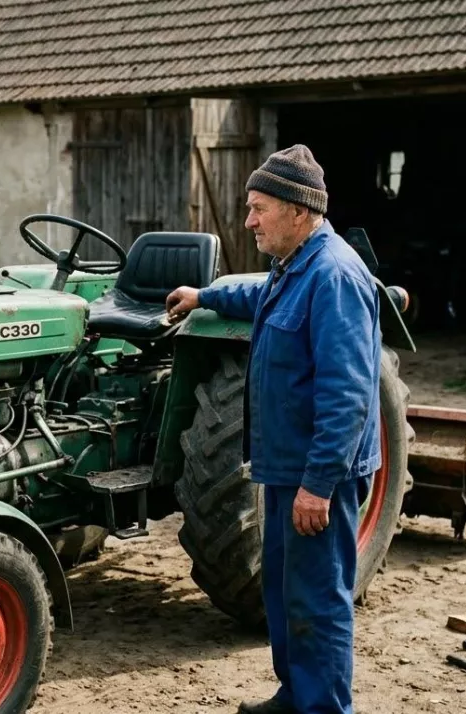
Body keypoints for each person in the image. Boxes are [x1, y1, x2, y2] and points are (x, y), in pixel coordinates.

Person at [165, 145, 381, 714]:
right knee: (285, 594)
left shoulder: (334, 275)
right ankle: (295, 696)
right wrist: (205, 295)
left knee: (318, 600)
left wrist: (319, 484)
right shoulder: (296, 267)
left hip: (316, 473)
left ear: (298, 210)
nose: (248, 221)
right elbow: (262, 296)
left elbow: (348, 394)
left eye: (259, 208)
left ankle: (324, 709)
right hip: (285, 464)